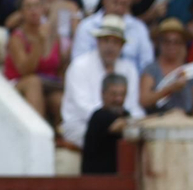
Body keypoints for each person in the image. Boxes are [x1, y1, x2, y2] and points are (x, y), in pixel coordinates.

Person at [61, 14, 144, 145]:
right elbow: (84, 108)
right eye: (106, 40)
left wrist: (131, 122)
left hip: (120, 126)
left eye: (115, 42)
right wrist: (115, 122)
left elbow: (132, 105)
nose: (110, 47)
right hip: (82, 128)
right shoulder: (79, 66)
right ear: (98, 42)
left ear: (122, 46)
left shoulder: (129, 69)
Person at [6, 0, 66, 123]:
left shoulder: (54, 35)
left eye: (37, 5)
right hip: (20, 84)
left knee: (58, 99)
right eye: (28, 7)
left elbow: (60, 67)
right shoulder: (17, 37)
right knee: (34, 82)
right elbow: (25, 71)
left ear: (43, 8)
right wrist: (39, 42)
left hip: (49, 84)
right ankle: (38, 133)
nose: (34, 11)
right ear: (21, 12)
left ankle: (63, 137)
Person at [73, 0, 154, 71]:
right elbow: (78, 61)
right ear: (104, 0)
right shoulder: (87, 26)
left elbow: (147, 65)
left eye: (123, 4)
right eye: (115, 2)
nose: (118, 8)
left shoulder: (139, 28)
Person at [140, 17, 193, 114]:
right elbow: (144, 101)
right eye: (167, 41)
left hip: (186, 122)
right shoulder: (151, 69)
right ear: (159, 43)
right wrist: (170, 88)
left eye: (176, 42)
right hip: (158, 121)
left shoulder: (190, 70)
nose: (172, 46)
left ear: (182, 45)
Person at [82, 72, 133, 173]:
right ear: (103, 93)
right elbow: (118, 126)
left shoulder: (126, 114)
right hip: (98, 179)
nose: (118, 99)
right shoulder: (99, 116)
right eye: (114, 94)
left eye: (122, 94)